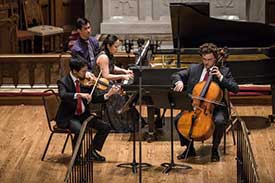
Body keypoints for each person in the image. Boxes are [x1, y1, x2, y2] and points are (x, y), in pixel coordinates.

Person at [171, 43, 239, 162]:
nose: (207, 62)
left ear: (215, 58)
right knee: (177, 120)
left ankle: (214, 148)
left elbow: (235, 88)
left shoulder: (224, 71)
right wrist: (179, 82)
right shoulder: (194, 68)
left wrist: (220, 77)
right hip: (196, 106)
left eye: (210, 59)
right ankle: (189, 148)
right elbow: (176, 75)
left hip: (215, 107)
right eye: (204, 59)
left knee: (220, 121)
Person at [55, 57, 120, 162]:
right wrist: (79, 94)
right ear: (75, 71)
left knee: (105, 127)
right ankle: (76, 157)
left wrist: (108, 94)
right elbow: (63, 95)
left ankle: (91, 152)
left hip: (83, 115)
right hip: (69, 117)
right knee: (79, 130)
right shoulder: (63, 82)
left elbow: (93, 98)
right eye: (84, 71)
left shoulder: (85, 82)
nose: (87, 73)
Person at [94, 34, 140, 132]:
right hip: (101, 87)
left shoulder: (108, 55)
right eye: (115, 47)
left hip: (106, 83)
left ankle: (132, 123)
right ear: (108, 46)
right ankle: (121, 125)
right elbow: (106, 75)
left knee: (124, 92)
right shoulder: (103, 57)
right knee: (120, 95)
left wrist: (124, 71)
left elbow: (111, 67)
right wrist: (122, 76)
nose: (117, 49)